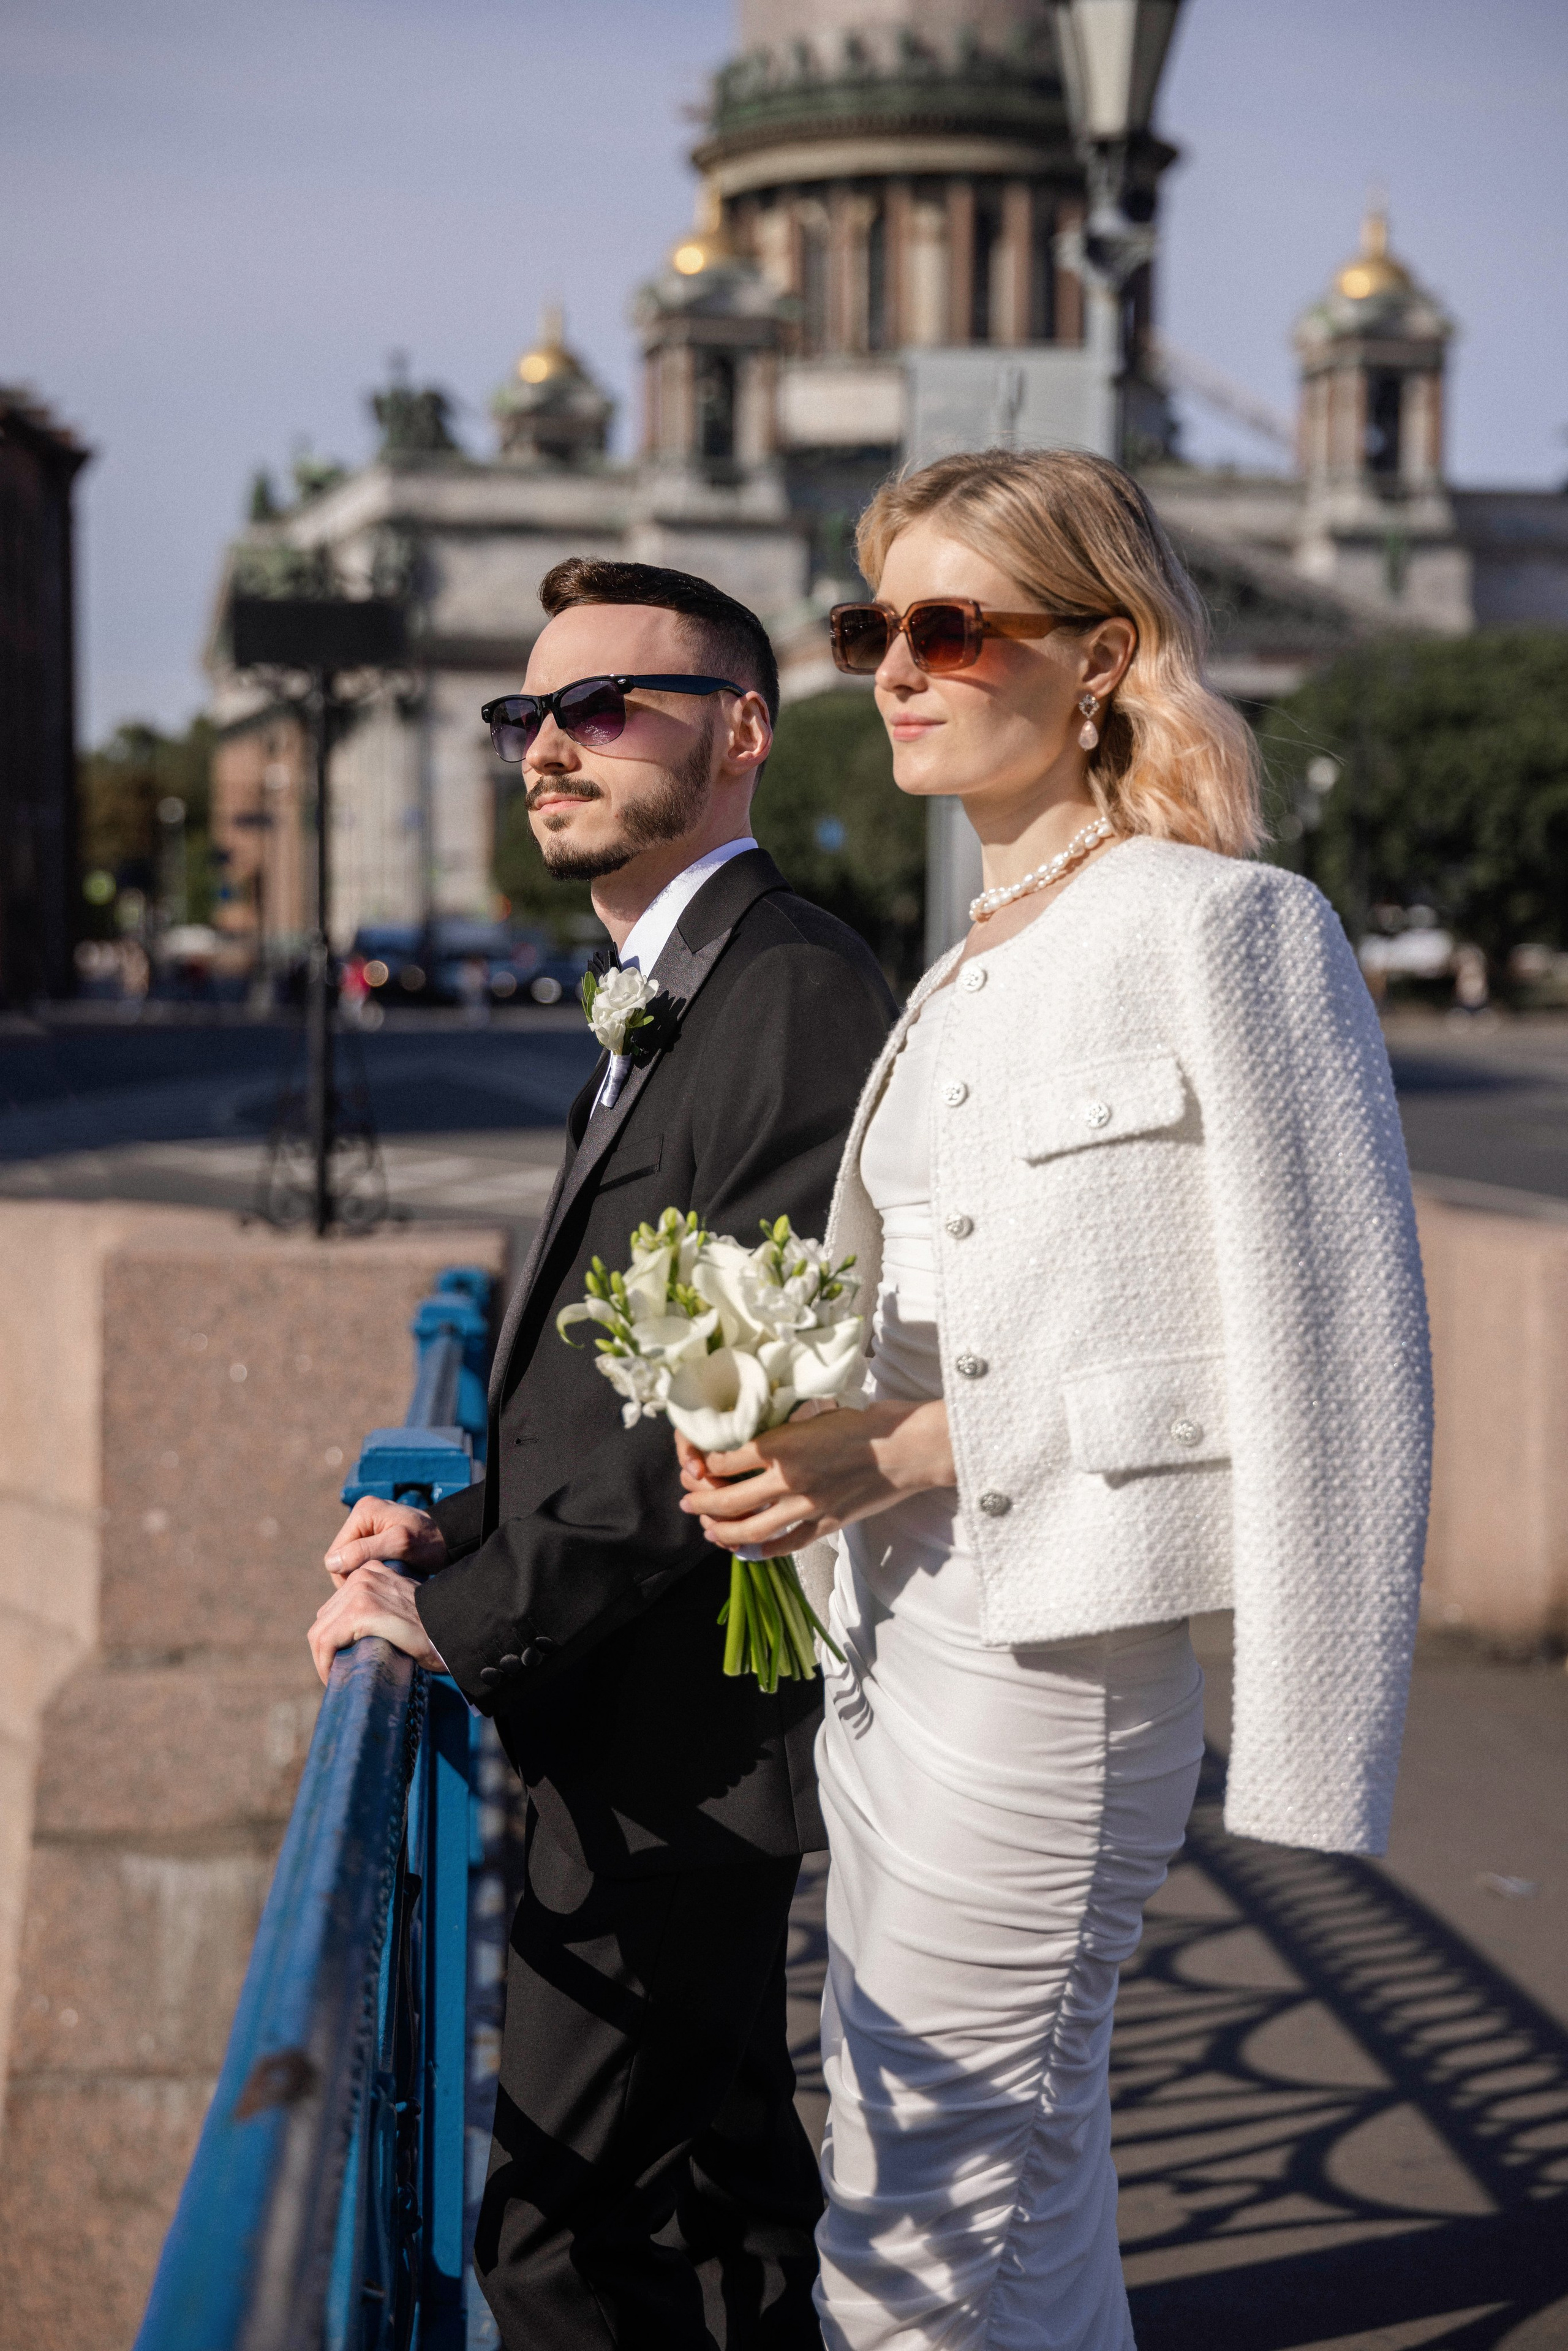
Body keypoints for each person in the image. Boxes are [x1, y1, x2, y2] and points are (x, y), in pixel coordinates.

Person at [678, 448, 1432, 2350]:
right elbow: (964, 1299)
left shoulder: (1222, 927)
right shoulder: (974, 954)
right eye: (873, 629)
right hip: (891, 1635)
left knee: (923, 2222)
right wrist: (794, 1416)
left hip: (1057, 1669)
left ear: (1102, 656)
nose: (898, 670)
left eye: (951, 627)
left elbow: (1332, 1348)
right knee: (1015, 2193)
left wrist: (923, 1445)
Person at [309, 558, 897, 2350]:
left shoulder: (785, 988)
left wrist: (463, 1608)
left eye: (596, 709)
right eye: (524, 716)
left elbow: (714, 1403)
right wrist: (445, 1527)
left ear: (738, 732)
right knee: (722, 2214)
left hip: (682, 1737)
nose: (545, 748)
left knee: (558, 2249)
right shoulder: (673, 982)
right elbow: (605, 1367)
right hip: (631, 1707)